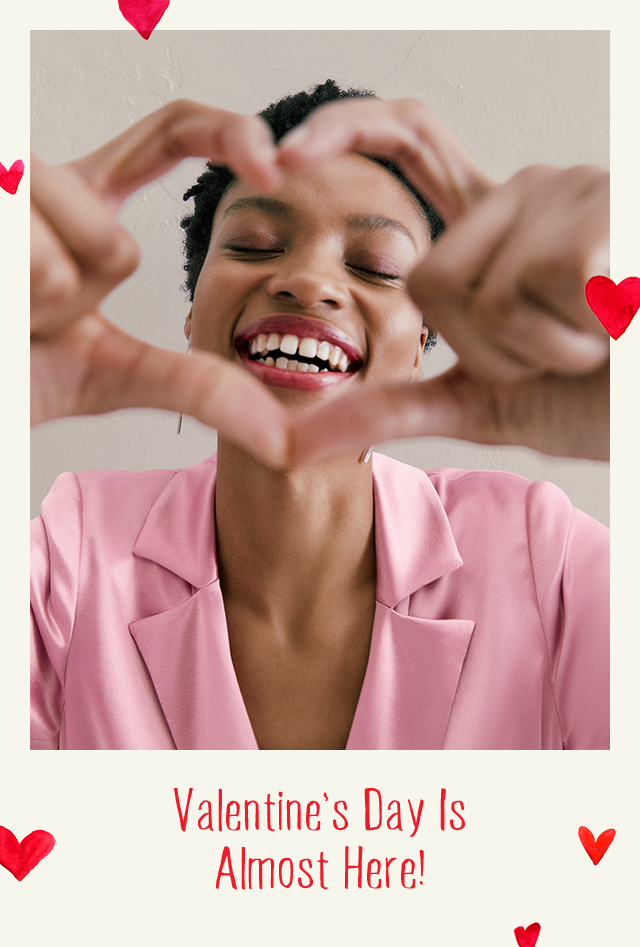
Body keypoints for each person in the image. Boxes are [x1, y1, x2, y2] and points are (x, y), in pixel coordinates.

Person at [30, 81, 609, 750]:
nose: (308, 279)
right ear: (194, 312)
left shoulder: (543, 558)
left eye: (377, 265)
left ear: (424, 341)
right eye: (252, 244)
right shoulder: (65, 562)